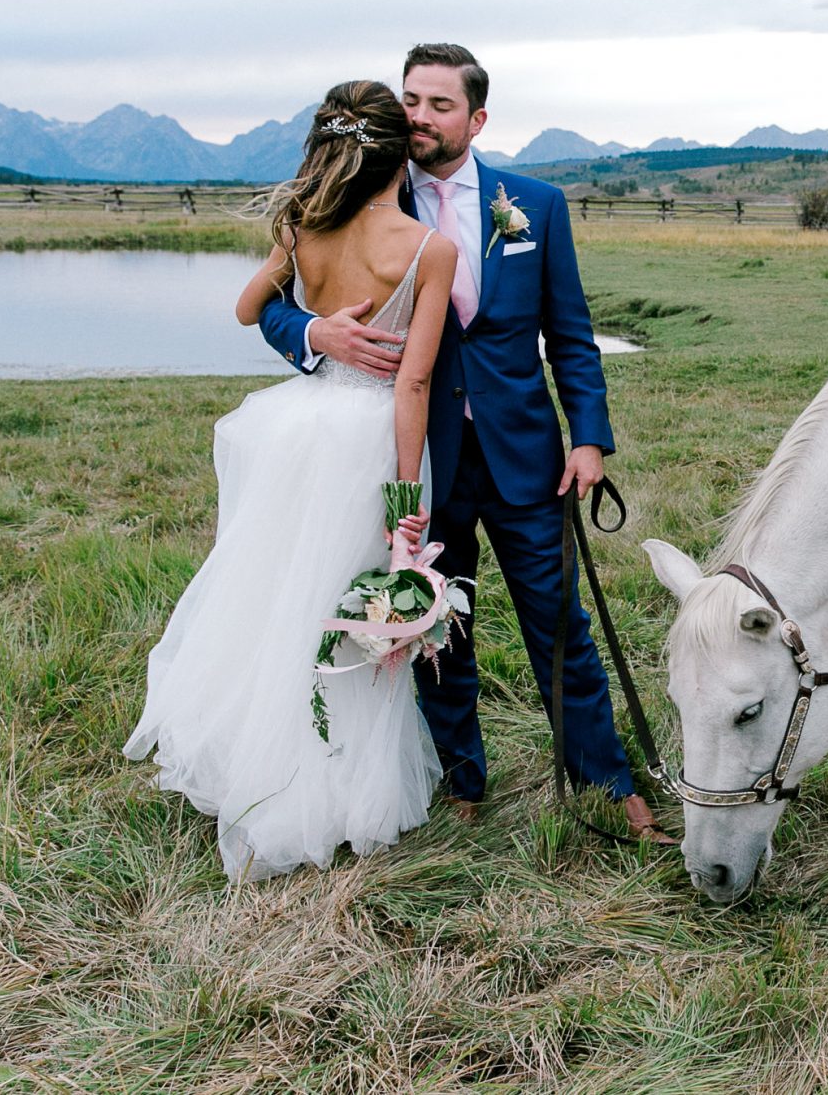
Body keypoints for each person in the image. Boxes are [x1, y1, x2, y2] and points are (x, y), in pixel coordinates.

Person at [258, 44, 668, 841]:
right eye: (410, 99)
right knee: (431, 629)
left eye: (439, 105)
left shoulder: (537, 206)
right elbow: (271, 302)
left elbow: (572, 336)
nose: (418, 116)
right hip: (418, 457)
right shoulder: (363, 197)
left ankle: (610, 782)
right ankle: (462, 782)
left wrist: (589, 439)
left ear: (477, 119)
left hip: (526, 456)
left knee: (562, 630)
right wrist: (315, 332)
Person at [126, 80, 457, 880]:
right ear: (396, 152)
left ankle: (253, 758)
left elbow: (247, 308)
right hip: (367, 438)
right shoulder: (425, 247)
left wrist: (312, 322)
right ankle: (332, 789)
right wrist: (406, 505)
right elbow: (411, 386)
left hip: (297, 426)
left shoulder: (301, 223)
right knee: (345, 605)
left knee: (281, 594)